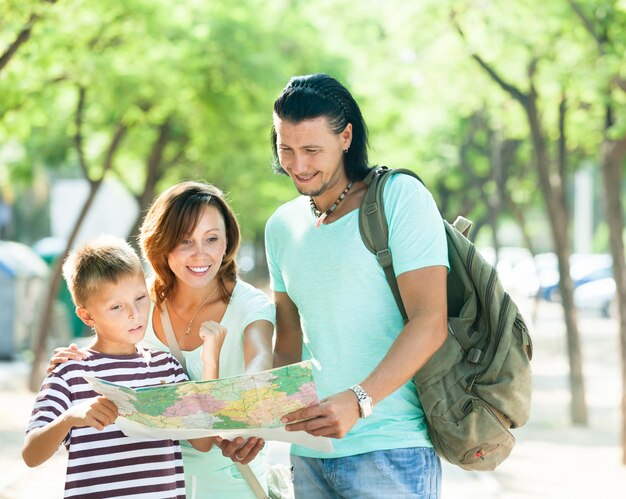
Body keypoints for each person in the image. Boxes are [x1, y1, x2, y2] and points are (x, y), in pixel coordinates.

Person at [265, 73, 449, 498]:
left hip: (391, 450)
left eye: (312, 150)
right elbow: (288, 343)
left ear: (346, 137)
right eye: (286, 149)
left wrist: (358, 400)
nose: (298, 165)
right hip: (309, 455)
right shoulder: (281, 227)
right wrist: (260, 420)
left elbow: (430, 322)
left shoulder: (399, 198)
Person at [48, 182, 275, 498]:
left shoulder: (249, 305)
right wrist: (73, 359)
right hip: (150, 483)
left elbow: (260, 359)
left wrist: (255, 417)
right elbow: (108, 354)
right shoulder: (139, 301)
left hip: (229, 482)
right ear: (162, 244)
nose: (200, 254)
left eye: (211, 239)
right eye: (185, 241)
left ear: (228, 242)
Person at [23, 235, 214, 498]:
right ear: (87, 315)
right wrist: (70, 418)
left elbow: (203, 443)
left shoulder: (167, 369)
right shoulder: (71, 373)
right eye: (116, 307)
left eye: (139, 298)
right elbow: (31, 455)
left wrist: (210, 359)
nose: (134, 314)